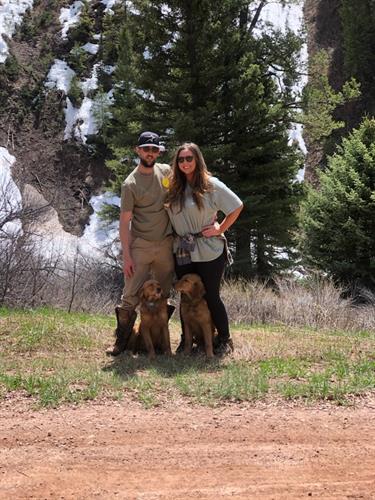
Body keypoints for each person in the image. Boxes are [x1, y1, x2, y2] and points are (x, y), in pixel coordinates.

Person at [166, 142, 243, 355]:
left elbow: (237, 206)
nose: (185, 163)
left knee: (211, 295)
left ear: (197, 160)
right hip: (182, 248)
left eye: (189, 158)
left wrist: (220, 229)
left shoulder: (211, 185)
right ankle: (186, 341)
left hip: (209, 249)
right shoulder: (174, 187)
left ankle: (225, 340)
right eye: (181, 159)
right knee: (184, 295)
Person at [106, 131, 175, 356]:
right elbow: (124, 222)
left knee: (163, 293)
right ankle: (121, 342)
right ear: (138, 150)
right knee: (130, 294)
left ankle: (159, 344)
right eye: (146, 149)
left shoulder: (165, 172)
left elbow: (186, 186)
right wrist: (126, 256)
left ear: (158, 152)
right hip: (141, 246)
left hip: (165, 244)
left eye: (154, 149)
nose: (150, 153)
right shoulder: (130, 184)